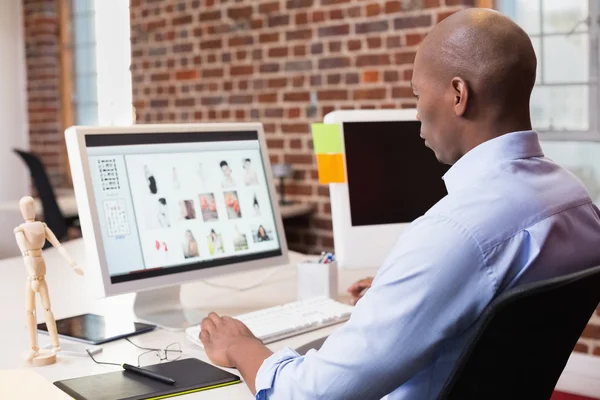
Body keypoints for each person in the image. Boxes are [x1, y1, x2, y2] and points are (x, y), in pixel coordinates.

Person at [196, 9, 600, 399]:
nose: (417, 111)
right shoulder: (577, 201)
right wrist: (412, 283)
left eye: (418, 94)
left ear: (458, 94)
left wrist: (241, 346)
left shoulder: (455, 234)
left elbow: (308, 395)